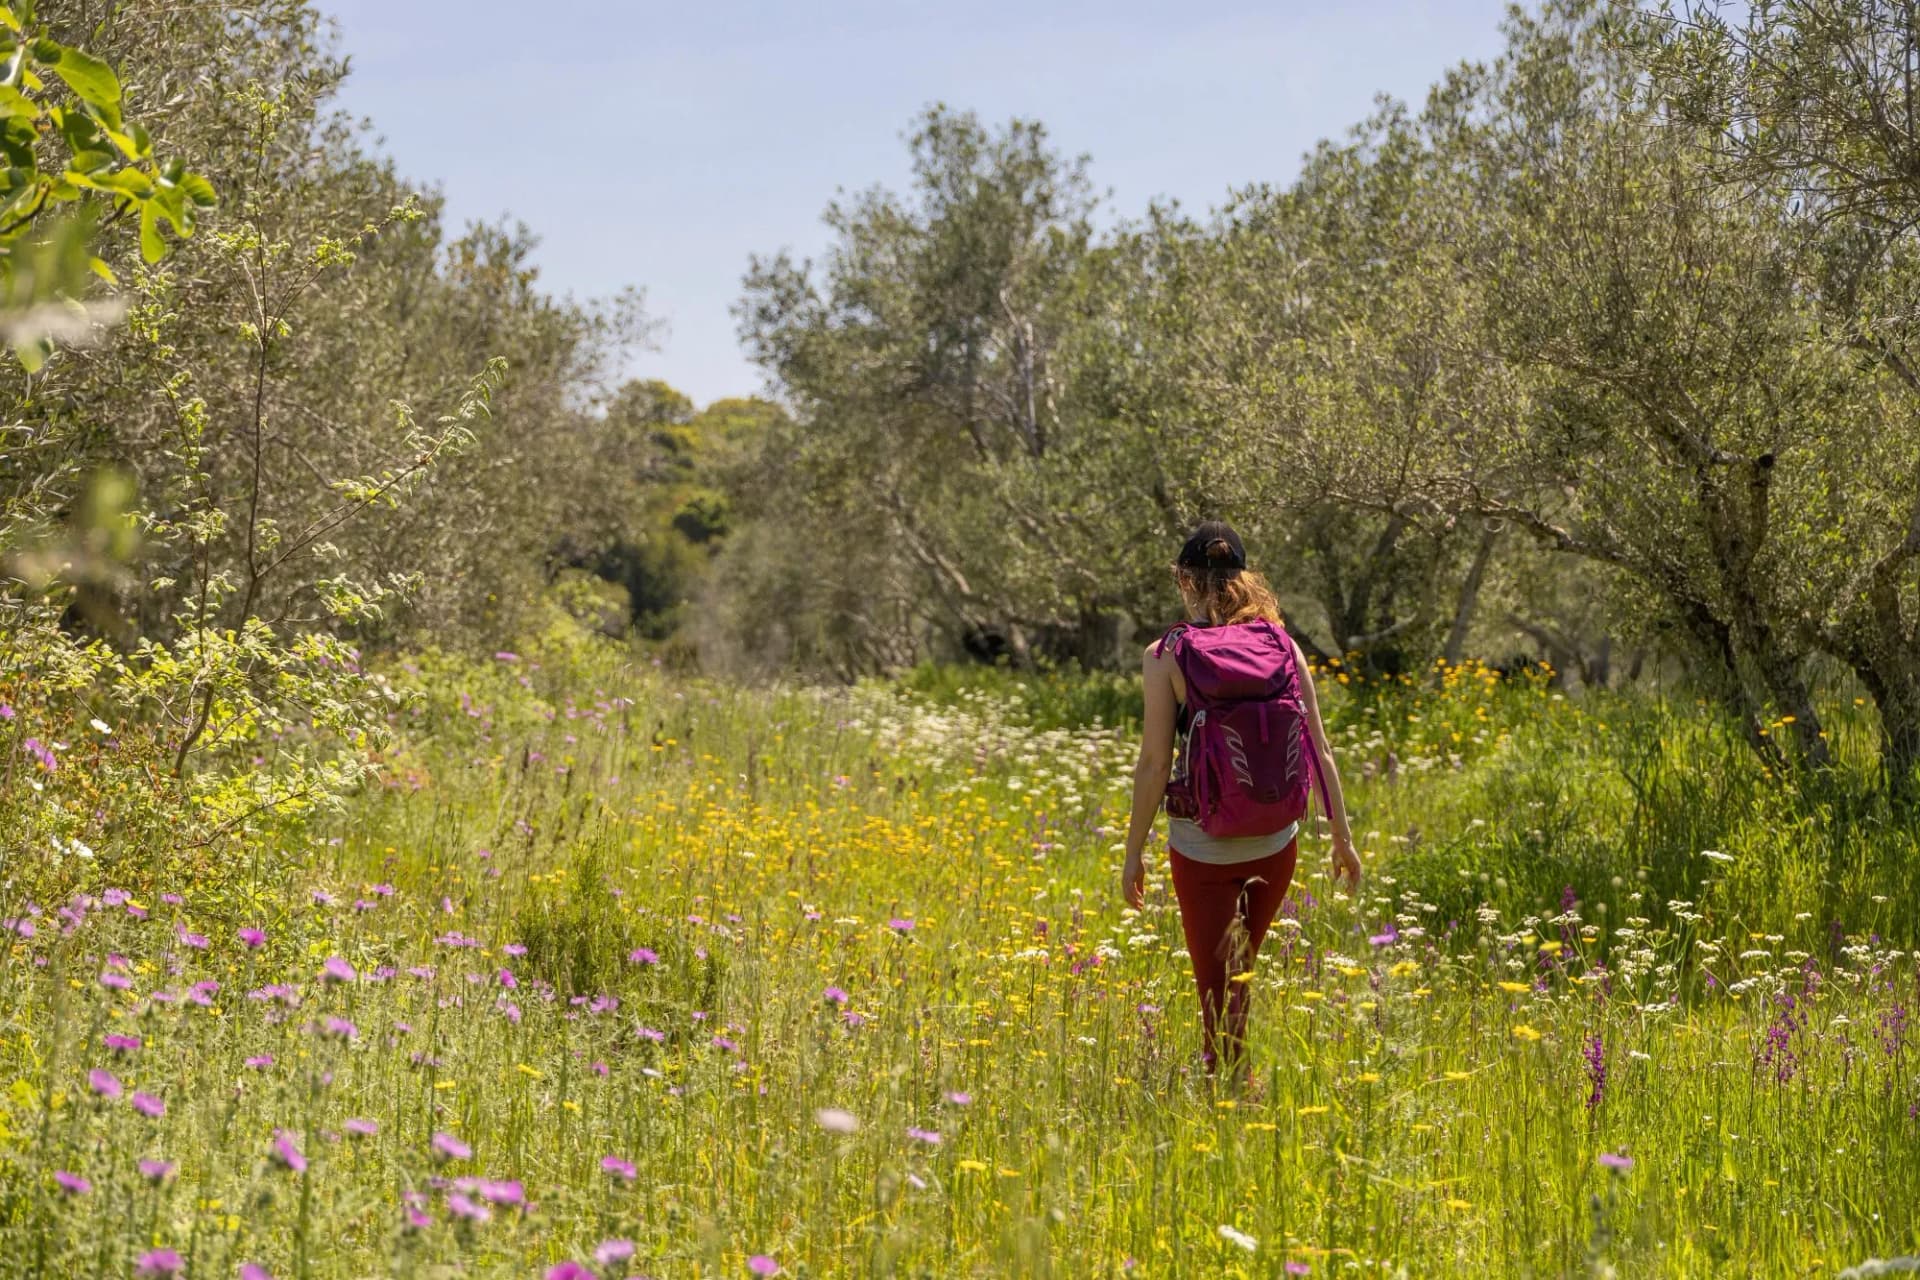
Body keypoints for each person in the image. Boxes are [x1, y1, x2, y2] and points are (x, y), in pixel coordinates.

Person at [1120, 520, 1362, 1076]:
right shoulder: (1283, 644)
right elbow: (1321, 751)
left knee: (1217, 989)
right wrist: (1342, 841)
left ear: (1184, 580)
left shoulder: (1166, 654)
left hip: (1203, 849)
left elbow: (1156, 763)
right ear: (1243, 577)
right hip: (1277, 843)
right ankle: (1235, 1086)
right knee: (1240, 972)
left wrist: (1133, 851)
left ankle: (1228, 1096)